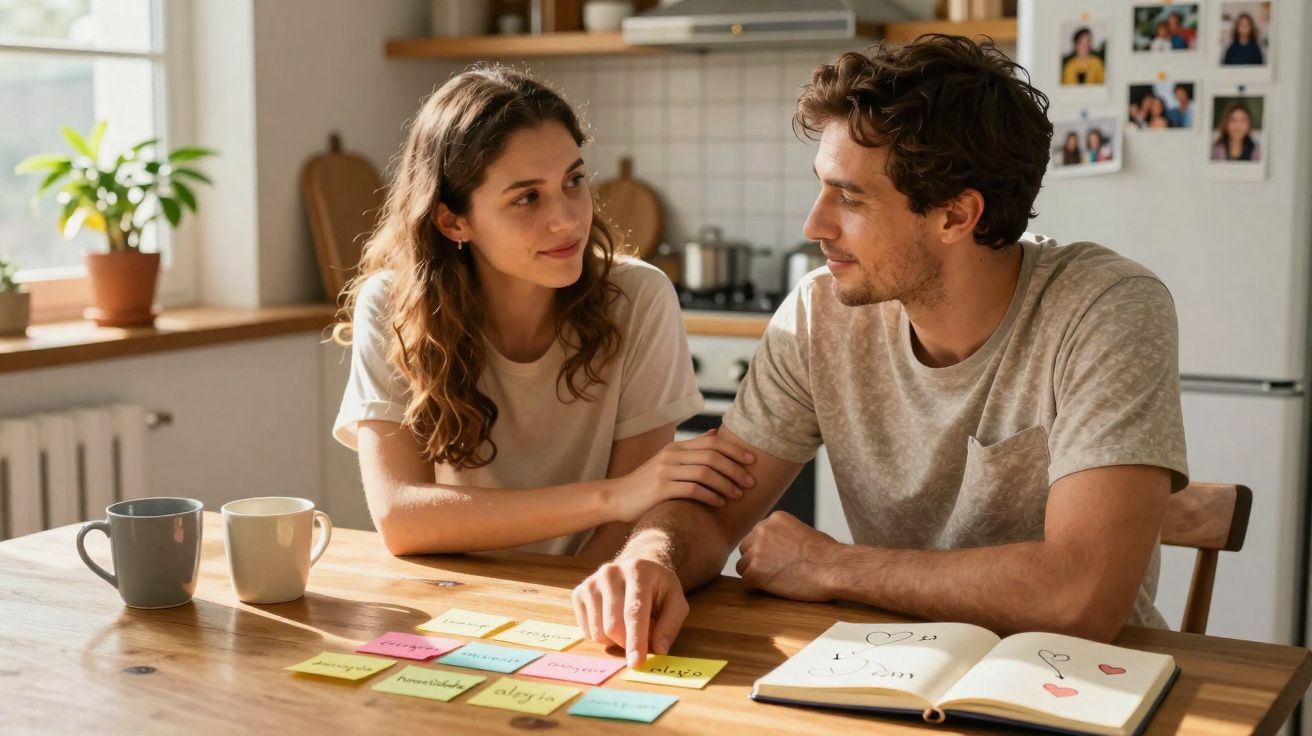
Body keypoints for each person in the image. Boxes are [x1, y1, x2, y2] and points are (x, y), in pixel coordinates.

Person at [572, 35, 1188, 667]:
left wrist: (832, 565)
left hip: (1082, 680)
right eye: (821, 188)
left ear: (955, 216)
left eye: (850, 197)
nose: (814, 225)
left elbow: (1080, 597)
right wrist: (650, 559)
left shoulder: (1105, 306)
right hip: (894, 665)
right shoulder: (820, 313)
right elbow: (712, 511)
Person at [332, 66, 753, 560]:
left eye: (573, 180)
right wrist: (613, 495)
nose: (569, 218)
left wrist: (574, 603)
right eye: (527, 197)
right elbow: (402, 520)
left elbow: (636, 521)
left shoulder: (639, 297)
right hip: (452, 593)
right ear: (453, 220)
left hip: (589, 591)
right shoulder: (394, 306)